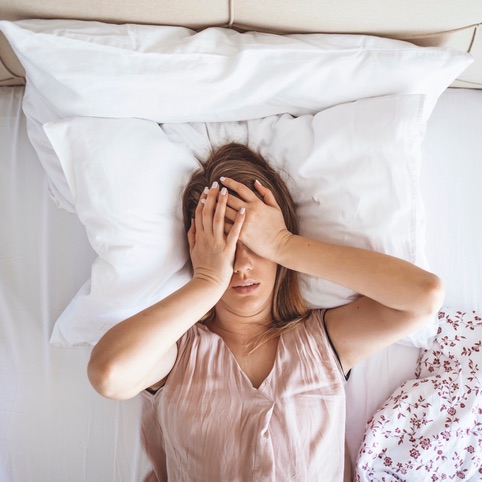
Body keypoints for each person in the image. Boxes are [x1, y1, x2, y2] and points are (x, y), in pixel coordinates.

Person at [87, 143, 444, 481]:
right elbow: (109, 374)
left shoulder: (320, 342)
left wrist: (283, 244)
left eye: (254, 244)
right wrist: (209, 280)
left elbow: (423, 296)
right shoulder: (178, 355)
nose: (241, 264)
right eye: (225, 245)